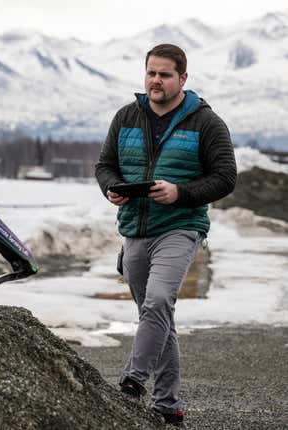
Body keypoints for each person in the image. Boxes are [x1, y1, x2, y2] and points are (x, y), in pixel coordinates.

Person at [95, 43, 237, 427]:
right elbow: (105, 165)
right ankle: (168, 404)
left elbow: (226, 177)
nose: (156, 81)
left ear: (183, 79)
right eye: (151, 73)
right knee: (158, 316)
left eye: (165, 74)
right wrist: (112, 187)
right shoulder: (126, 116)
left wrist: (181, 193)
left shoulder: (206, 123)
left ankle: (133, 380)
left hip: (180, 226)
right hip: (135, 229)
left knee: (157, 302)